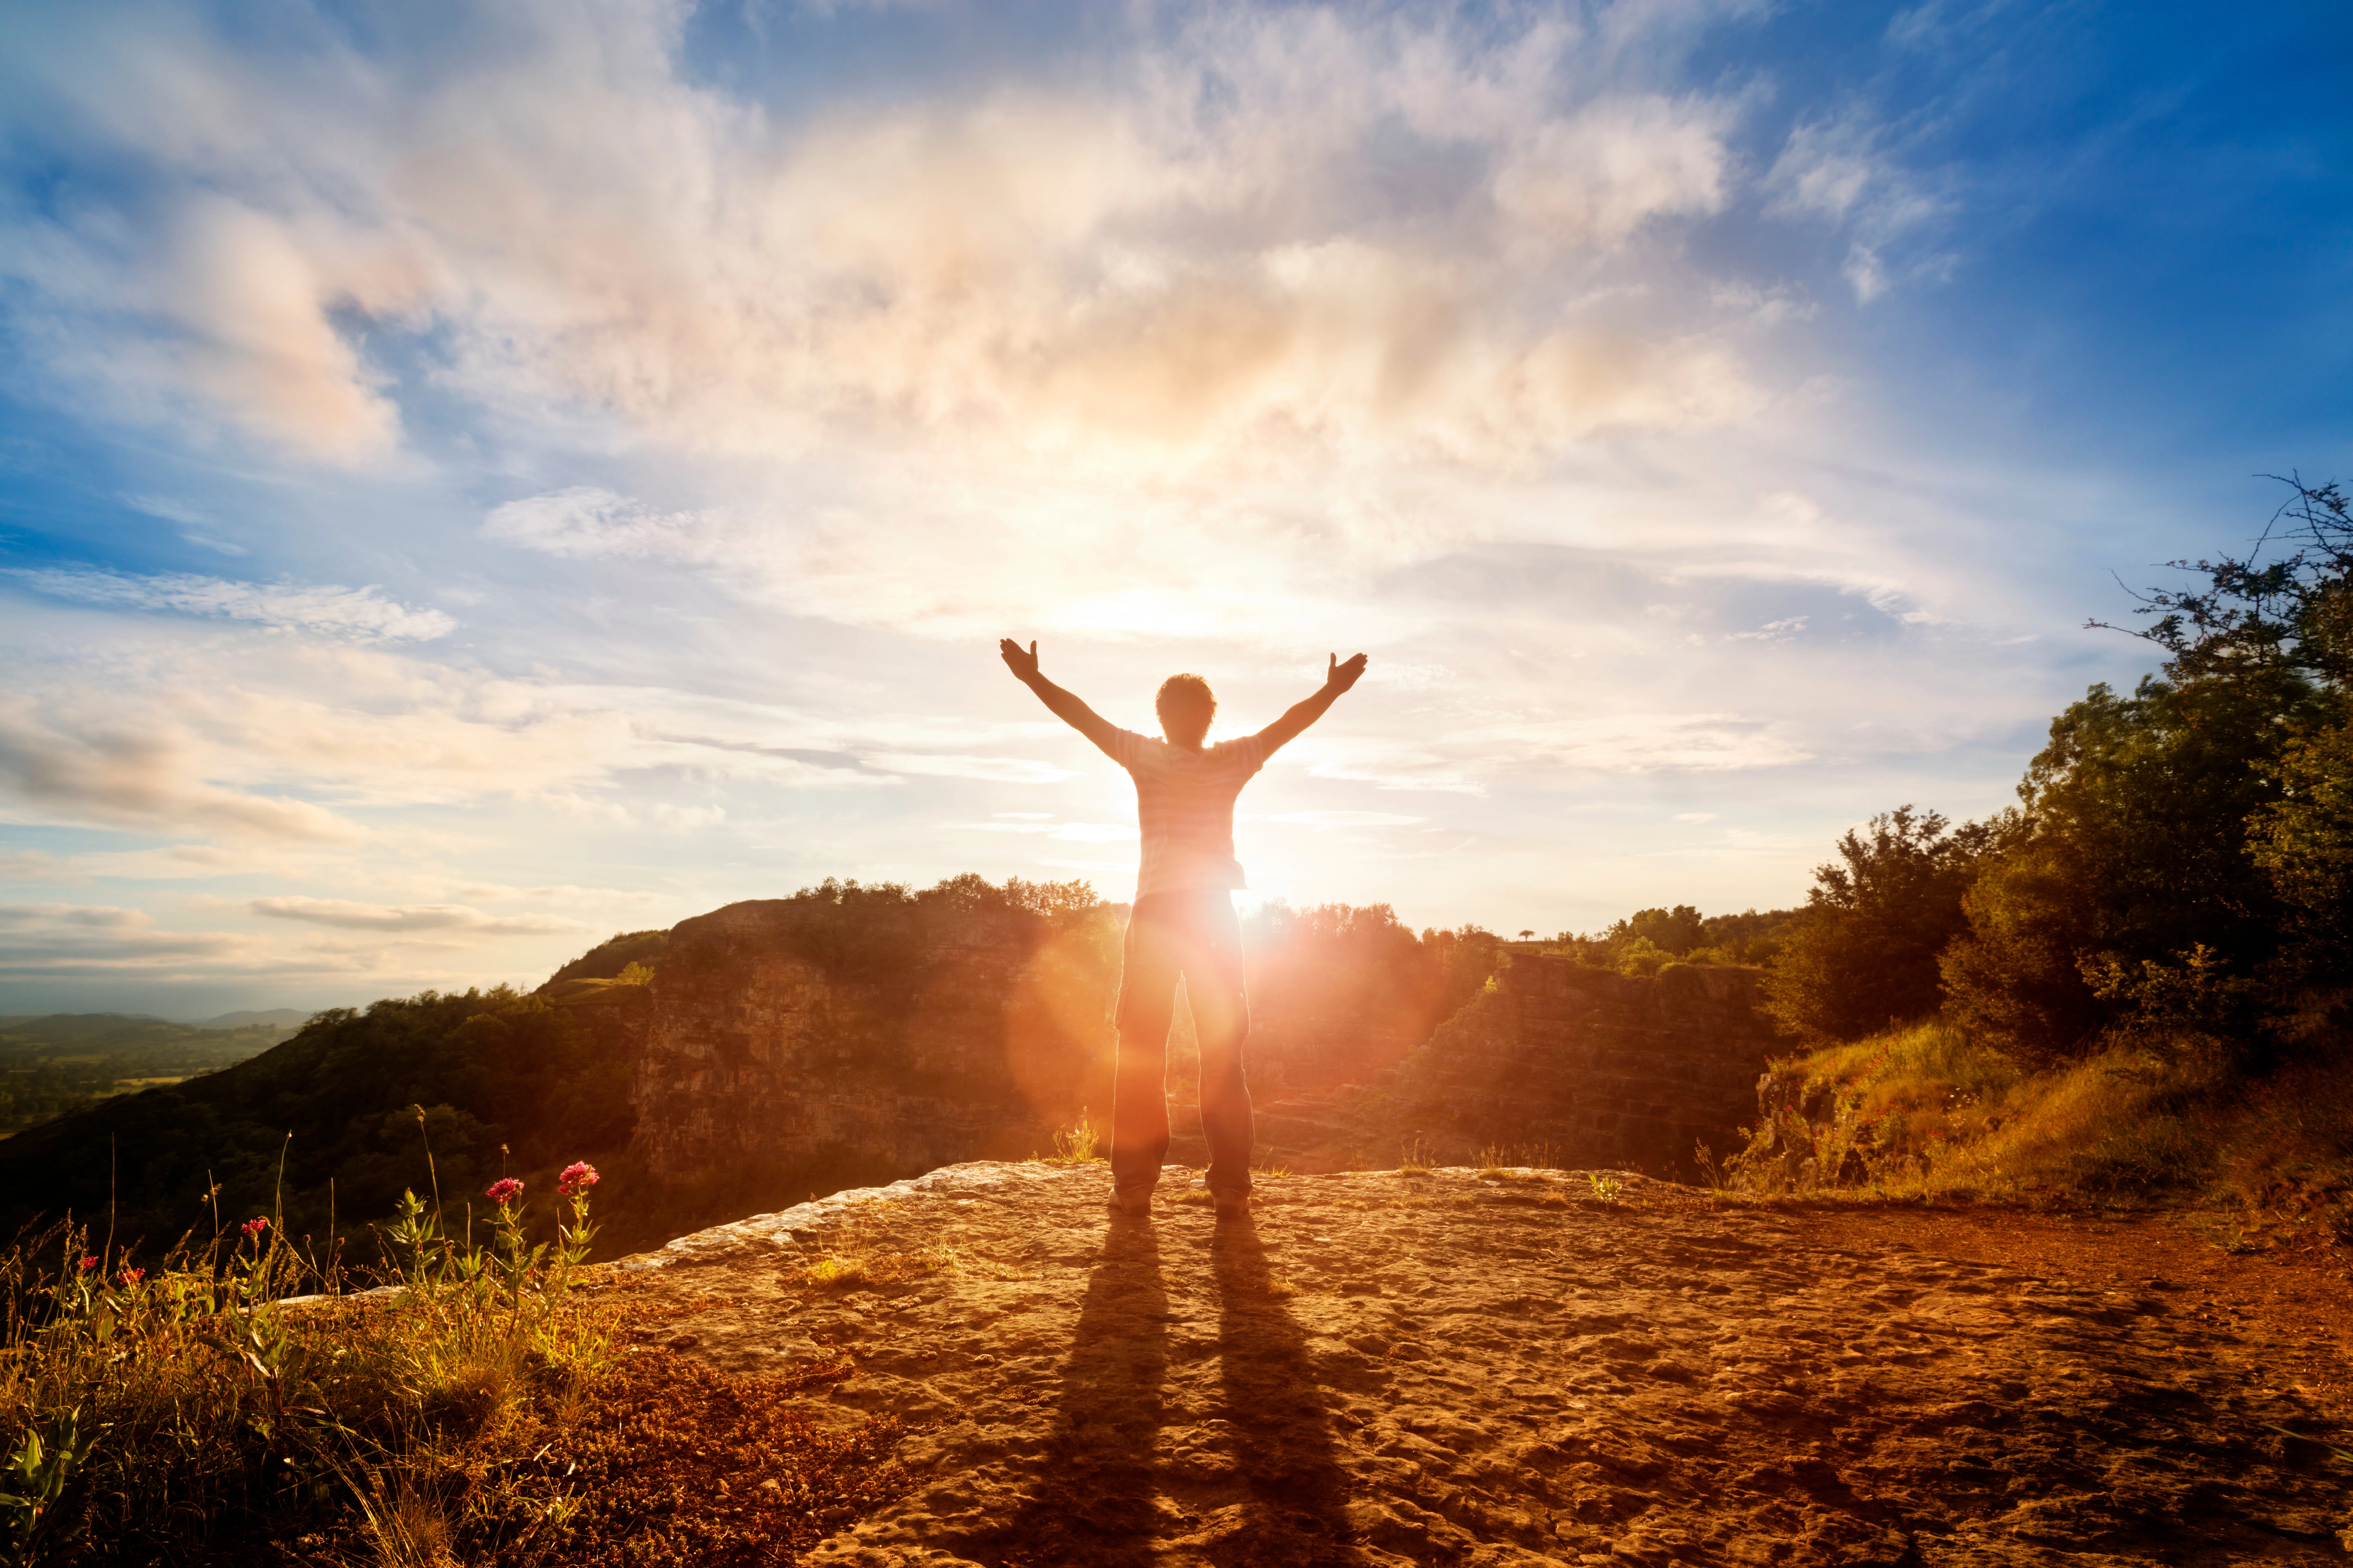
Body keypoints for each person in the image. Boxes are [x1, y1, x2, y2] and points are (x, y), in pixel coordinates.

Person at [999, 638, 1369, 1222]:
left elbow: (1081, 717)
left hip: (1157, 916)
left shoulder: (1145, 756)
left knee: (1141, 1050)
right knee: (1223, 1053)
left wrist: (1031, 678)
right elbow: (1288, 724)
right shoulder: (1232, 760)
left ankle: (1135, 1186)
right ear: (1209, 718)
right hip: (1213, 915)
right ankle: (1231, 1188)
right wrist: (1332, 690)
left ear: (1162, 718)